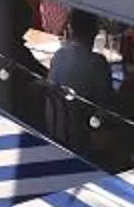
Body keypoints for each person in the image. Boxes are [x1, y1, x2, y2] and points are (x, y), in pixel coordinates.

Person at [43, 9, 116, 149]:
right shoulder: (97, 62)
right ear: (95, 32)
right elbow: (107, 104)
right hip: (81, 139)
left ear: (70, 29)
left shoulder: (59, 55)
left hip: (53, 131)